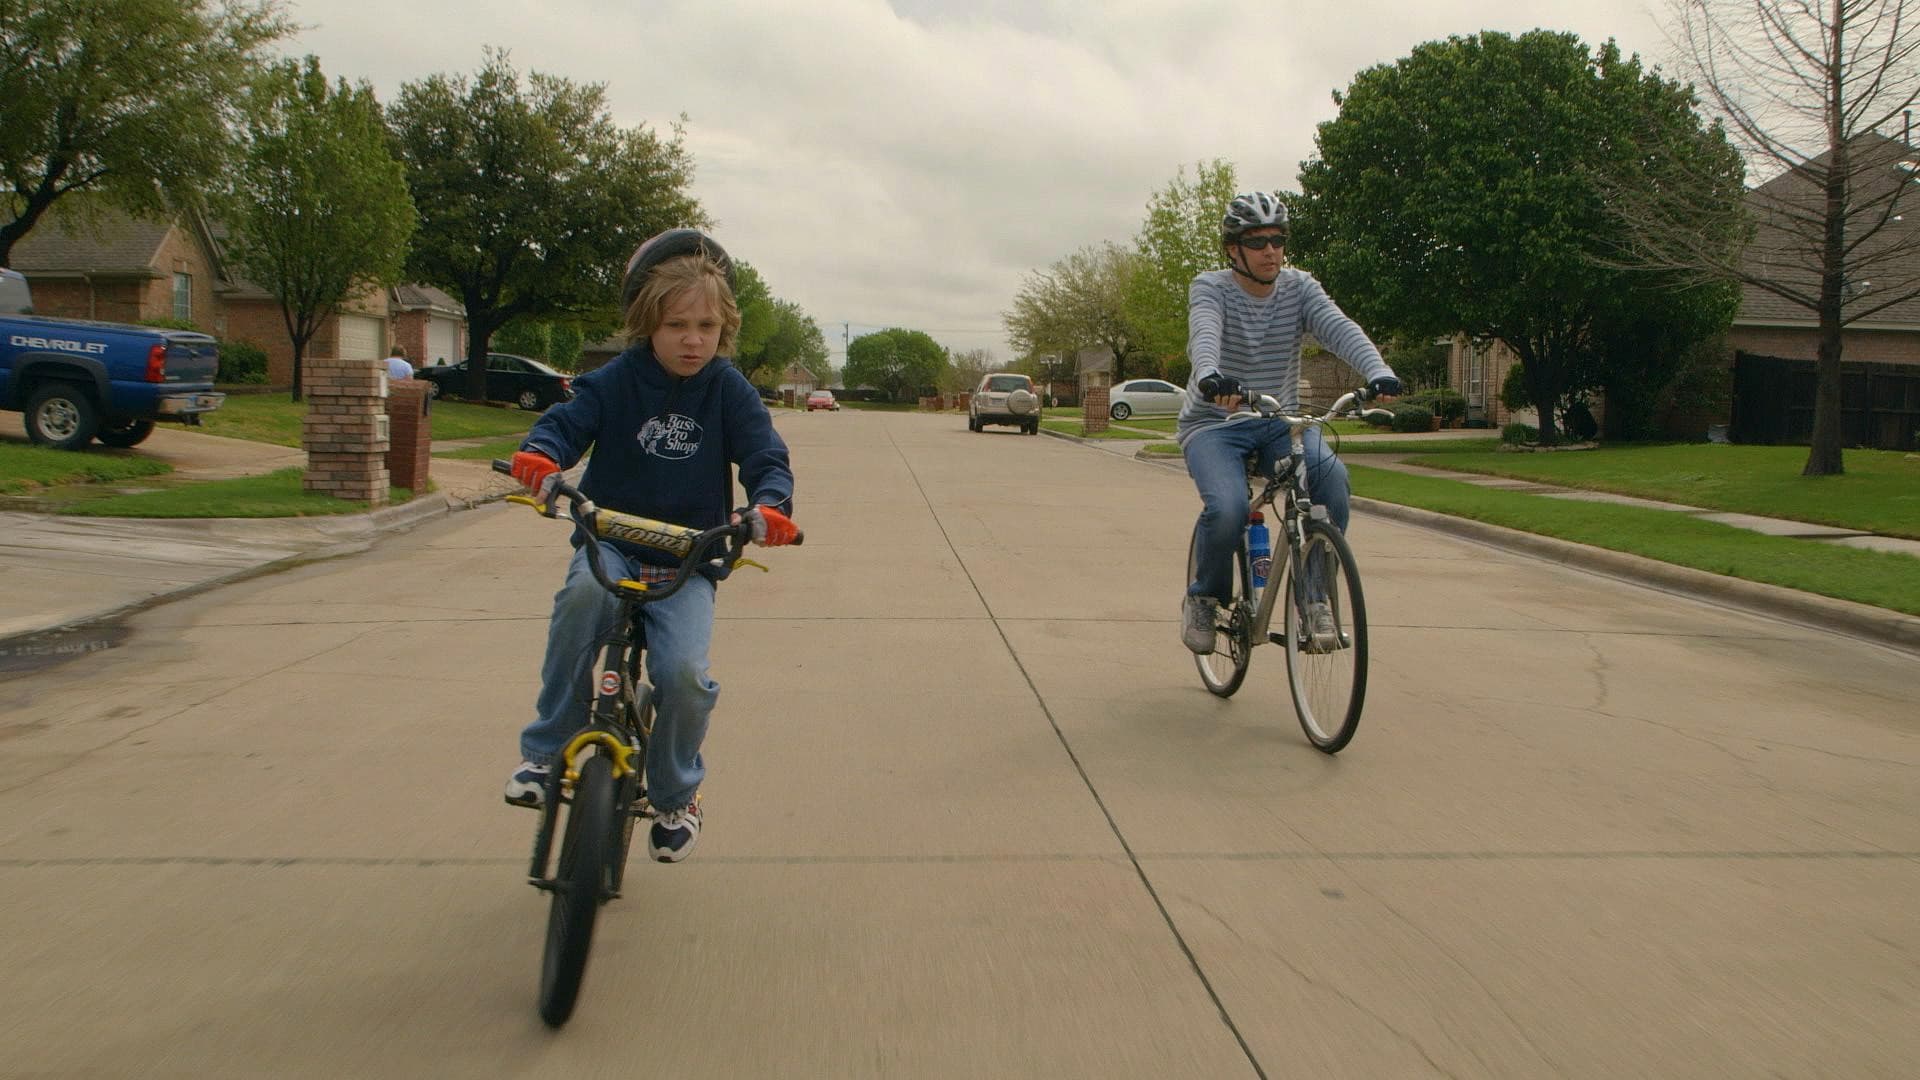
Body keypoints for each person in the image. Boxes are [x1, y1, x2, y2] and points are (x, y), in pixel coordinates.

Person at [501, 228, 799, 864]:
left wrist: (769, 506)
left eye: (707, 326)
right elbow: (564, 426)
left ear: (725, 329)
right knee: (581, 603)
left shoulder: (727, 389)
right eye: (676, 325)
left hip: (689, 557)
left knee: (684, 675)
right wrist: (542, 458)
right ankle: (545, 752)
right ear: (646, 325)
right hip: (609, 540)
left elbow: (765, 456)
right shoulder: (615, 380)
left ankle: (674, 795)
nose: (693, 340)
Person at [1178, 192, 1400, 655]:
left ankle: (1315, 598)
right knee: (1229, 508)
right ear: (1233, 250)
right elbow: (1205, 334)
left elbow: (1338, 327)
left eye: (1278, 240)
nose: (1270, 251)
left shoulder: (1300, 288)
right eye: (1257, 241)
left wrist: (1377, 370)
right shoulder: (1211, 287)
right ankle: (1204, 597)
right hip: (1215, 423)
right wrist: (1209, 377)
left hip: (1280, 419)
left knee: (1332, 480)